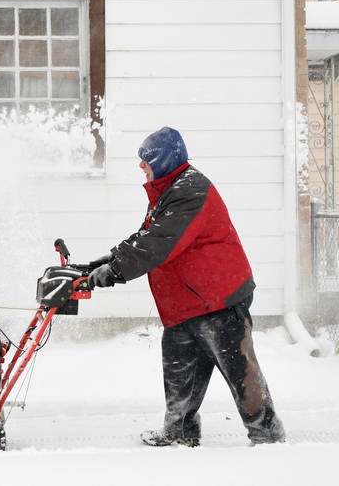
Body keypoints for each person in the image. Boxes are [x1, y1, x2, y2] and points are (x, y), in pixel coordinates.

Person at [87, 126, 285, 447]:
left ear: (164, 160)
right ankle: (179, 432)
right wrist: (102, 263)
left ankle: (268, 436)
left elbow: (159, 245)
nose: (140, 165)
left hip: (218, 299)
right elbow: (145, 236)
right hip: (185, 303)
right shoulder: (167, 190)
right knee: (179, 371)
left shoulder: (191, 190)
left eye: (146, 159)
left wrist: (113, 272)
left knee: (240, 371)